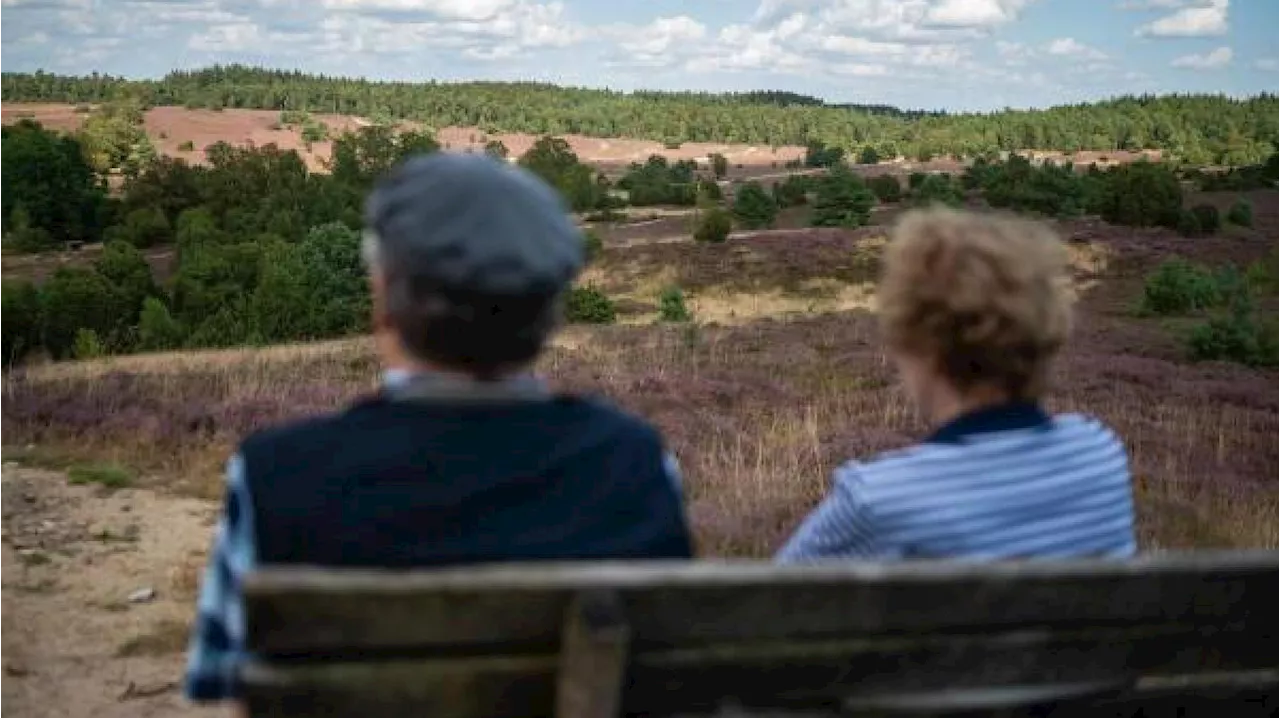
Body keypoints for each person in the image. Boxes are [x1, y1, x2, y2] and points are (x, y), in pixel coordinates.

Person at [184, 153, 694, 706]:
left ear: (384, 300)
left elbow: (219, 680)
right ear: (550, 314)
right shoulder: (636, 462)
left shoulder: (272, 475)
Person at [777, 207, 1135, 562]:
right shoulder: (1099, 455)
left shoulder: (877, 502)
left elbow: (761, 608)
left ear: (922, 345)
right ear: (1046, 331)